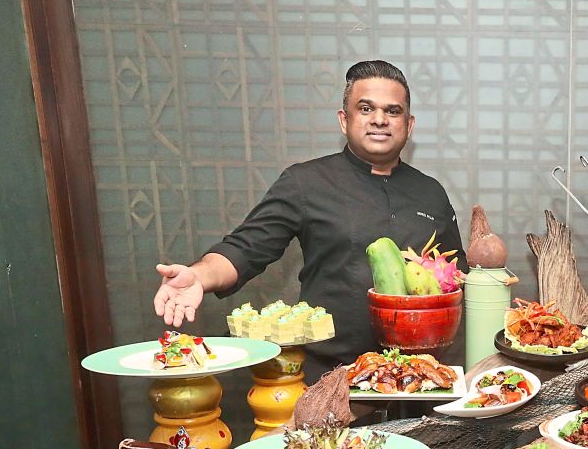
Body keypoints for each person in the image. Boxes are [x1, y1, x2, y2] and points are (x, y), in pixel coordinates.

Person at [153, 60, 463, 381]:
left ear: (409, 125)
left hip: (421, 376)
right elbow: (246, 248)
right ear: (344, 120)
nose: (380, 120)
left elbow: (457, 276)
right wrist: (198, 276)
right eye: (366, 108)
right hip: (332, 376)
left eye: (393, 111)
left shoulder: (431, 192)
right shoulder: (306, 182)